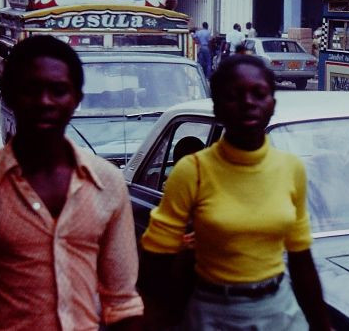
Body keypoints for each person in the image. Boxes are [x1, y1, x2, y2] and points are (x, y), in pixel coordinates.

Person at [0, 35, 143, 331]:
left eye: (58, 90)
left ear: (76, 98)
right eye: (30, 90)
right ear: (9, 94)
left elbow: (122, 303)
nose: (44, 102)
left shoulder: (107, 183)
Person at [138, 55, 331, 331]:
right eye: (233, 95)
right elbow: (156, 260)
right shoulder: (192, 171)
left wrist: (322, 324)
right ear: (217, 107)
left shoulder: (291, 169)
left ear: (272, 104)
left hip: (279, 310)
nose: (248, 103)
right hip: (212, 312)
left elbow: (301, 260)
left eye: (259, 93)